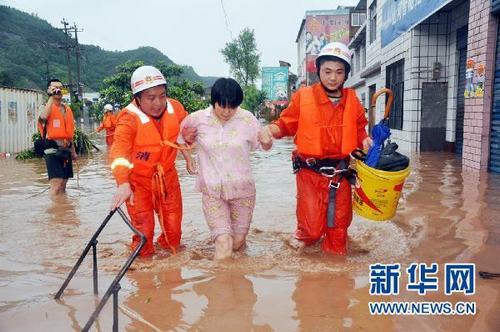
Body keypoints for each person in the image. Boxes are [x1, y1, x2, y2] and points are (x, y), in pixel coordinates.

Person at [259, 42, 372, 255]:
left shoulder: (353, 100)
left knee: (338, 233)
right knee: (311, 231)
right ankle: (302, 239)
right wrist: (268, 131)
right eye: (327, 71)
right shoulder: (303, 96)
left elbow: (359, 130)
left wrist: (365, 140)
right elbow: (286, 124)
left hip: (341, 173)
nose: (332, 77)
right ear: (318, 71)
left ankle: (335, 279)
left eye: (339, 72)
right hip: (309, 174)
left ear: (346, 74)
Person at [178, 78, 272, 260]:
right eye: (223, 106)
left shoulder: (247, 119)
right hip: (212, 191)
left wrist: (267, 142)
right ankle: (220, 284)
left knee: (237, 242)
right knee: (224, 242)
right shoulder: (196, 119)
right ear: (214, 101)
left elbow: (263, 146)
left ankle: (238, 270)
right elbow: (179, 139)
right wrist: (189, 159)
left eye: (233, 106)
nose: (228, 111)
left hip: (243, 190)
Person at [109, 65, 194, 257]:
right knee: (144, 233)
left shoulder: (176, 108)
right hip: (138, 184)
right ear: (137, 99)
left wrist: (188, 158)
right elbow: (119, 152)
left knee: (174, 233)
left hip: (167, 179)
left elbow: (184, 134)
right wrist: (123, 184)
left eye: (162, 96)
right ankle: (144, 276)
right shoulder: (128, 119)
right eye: (151, 98)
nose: (158, 103)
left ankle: (169, 274)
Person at [38, 78, 78, 197]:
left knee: (64, 182)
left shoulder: (67, 109)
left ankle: (63, 212)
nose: (58, 90)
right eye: (54, 88)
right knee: (56, 183)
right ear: (49, 90)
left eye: (60, 88)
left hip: (66, 148)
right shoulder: (44, 107)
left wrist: (73, 152)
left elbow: (70, 134)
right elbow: (43, 117)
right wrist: (51, 96)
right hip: (51, 148)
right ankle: (55, 213)